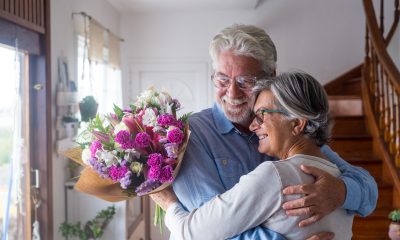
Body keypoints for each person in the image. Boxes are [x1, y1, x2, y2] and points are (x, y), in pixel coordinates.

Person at [166, 24, 377, 239]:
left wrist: (342, 192)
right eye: (222, 80)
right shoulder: (193, 133)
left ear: (271, 77)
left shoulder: (291, 133)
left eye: (245, 81)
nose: (232, 91)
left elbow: (366, 188)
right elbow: (207, 229)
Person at [151, 71, 355, 239]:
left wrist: (168, 202)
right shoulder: (337, 178)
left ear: (296, 123)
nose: (253, 125)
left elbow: (192, 233)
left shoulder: (275, 176)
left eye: (262, 115)